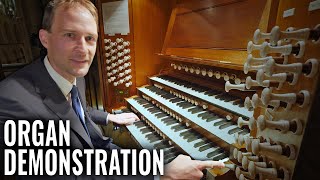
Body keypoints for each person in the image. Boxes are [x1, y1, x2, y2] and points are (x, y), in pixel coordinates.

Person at [0, 0, 224, 179]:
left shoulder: (72, 75)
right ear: (44, 38)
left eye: (90, 38)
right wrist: (159, 173)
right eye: (70, 35)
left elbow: (81, 114)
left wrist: (108, 117)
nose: (83, 49)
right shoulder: (13, 103)